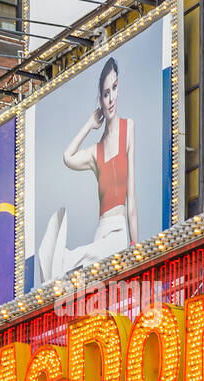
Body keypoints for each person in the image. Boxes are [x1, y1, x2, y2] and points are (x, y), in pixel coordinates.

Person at [37, 56, 138, 284]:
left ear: (118, 88)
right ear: (100, 100)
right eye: (105, 93)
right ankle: (58, 265)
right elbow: (67, 157)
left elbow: (131, 198)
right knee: (92, 282)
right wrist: (89, 124)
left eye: (114, 88)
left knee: (81, 258)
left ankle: (59, 262)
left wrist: (137, 248)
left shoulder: (127, 128)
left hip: (118, 233)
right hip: (100, 231)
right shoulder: (95, 152)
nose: (111, 98)